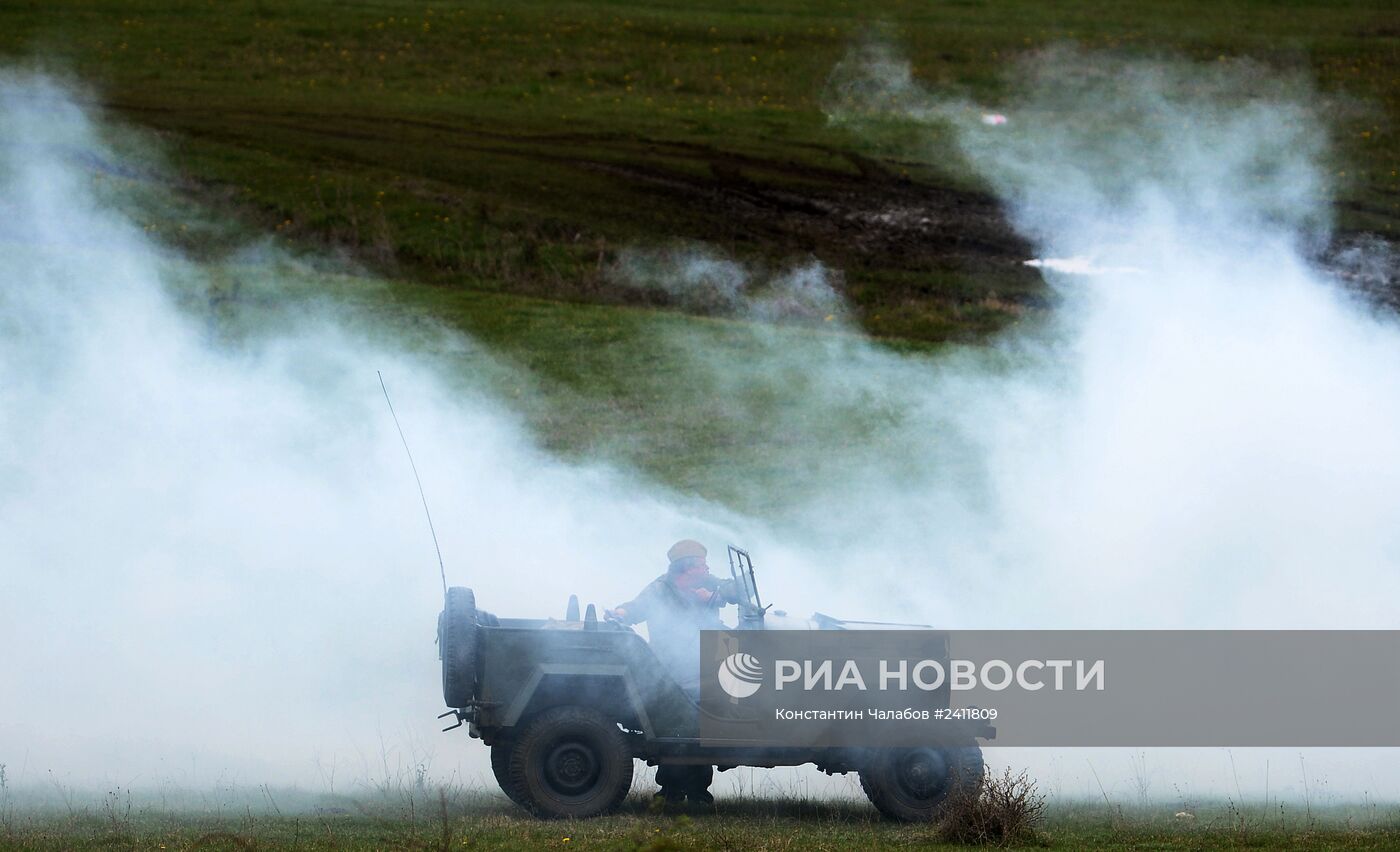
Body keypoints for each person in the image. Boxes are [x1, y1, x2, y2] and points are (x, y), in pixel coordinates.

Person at [605, 539, 737, 805]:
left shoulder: (708, 583)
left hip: (703, 667)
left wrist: (719, 594)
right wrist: (619, 611)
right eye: (701, 565)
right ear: (686, 569)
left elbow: (737, 588)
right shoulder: (659, 590)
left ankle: (698, 791)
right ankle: (671, 790)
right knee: (675, 728)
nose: (707, 568)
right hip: (670, 670)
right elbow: (635, 608)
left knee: (700, 727)